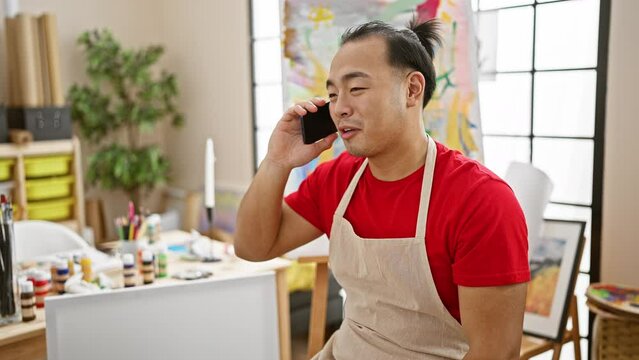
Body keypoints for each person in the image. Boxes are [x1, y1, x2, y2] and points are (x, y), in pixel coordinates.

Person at [235, 18, 530, 360]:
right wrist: (277, 162)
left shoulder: (482, 200)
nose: (340, 107)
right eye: (332, 94)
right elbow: (252, 247)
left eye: (356, 89)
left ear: (412, 90)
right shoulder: (336, 180)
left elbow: (495, 352)